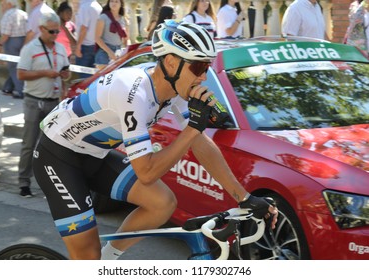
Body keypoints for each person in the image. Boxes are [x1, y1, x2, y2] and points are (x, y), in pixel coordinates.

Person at [32, 20, 278, 260]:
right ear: (171, 63)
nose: (203, 77)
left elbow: (201, 143)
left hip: (95, 154)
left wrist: (243, 197)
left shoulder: (175, 90)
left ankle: (107, 262)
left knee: (161, 202)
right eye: (198, 67)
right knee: (87, 254)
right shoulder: (132, 92)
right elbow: (147, 172)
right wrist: (192, 128)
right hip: (58, 156)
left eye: (207, 67)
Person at [17, 12, 70, 198]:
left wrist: (64, 75)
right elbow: (21, 74)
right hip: (33, 101)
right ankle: (24, 182)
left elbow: (66, 72)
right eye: (52, 31)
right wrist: (45, 73)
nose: (55, 34)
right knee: (29, 143)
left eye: (57, 31)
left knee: (50, 147)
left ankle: (49, 183)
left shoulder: (61, 49)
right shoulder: (30, 48)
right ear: (41, 29)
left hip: (53, 102)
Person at [0, 0, 27, 99]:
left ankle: (20, 90)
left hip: (11, 42)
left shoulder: (8, 15)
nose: (2, 6)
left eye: (3, 4)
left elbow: (6, 34)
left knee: (13, 67)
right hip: (23, 40)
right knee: (19, 65)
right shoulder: (23, 13)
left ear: (9, 4)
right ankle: (8, 87)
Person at [95, 0, 129, 68]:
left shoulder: (124, 19)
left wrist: (126, 52)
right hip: (104, 53)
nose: (114, 3)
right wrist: (110, 53)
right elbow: (97, 38)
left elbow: (126, 39)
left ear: (121, 4)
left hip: (119, 53)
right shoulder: (103, 17)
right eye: (112, 1)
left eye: (116, 1)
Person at [75, 0, 102, 78]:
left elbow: (84, 28)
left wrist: (78, 46)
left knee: (82, 78)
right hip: (95, 45)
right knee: (92, 77)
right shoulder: (98, 6)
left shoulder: (85, 7)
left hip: (85, 46)